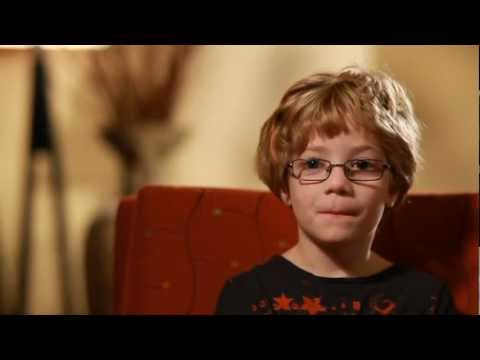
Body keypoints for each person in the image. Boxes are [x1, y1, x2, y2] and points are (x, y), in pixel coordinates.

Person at [215, 67, 458, 315]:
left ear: (393, 188)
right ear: (285, 185)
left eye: (363, 165)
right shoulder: (247, 296)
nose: (338, 184)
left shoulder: (426, 300)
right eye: (313, 164)